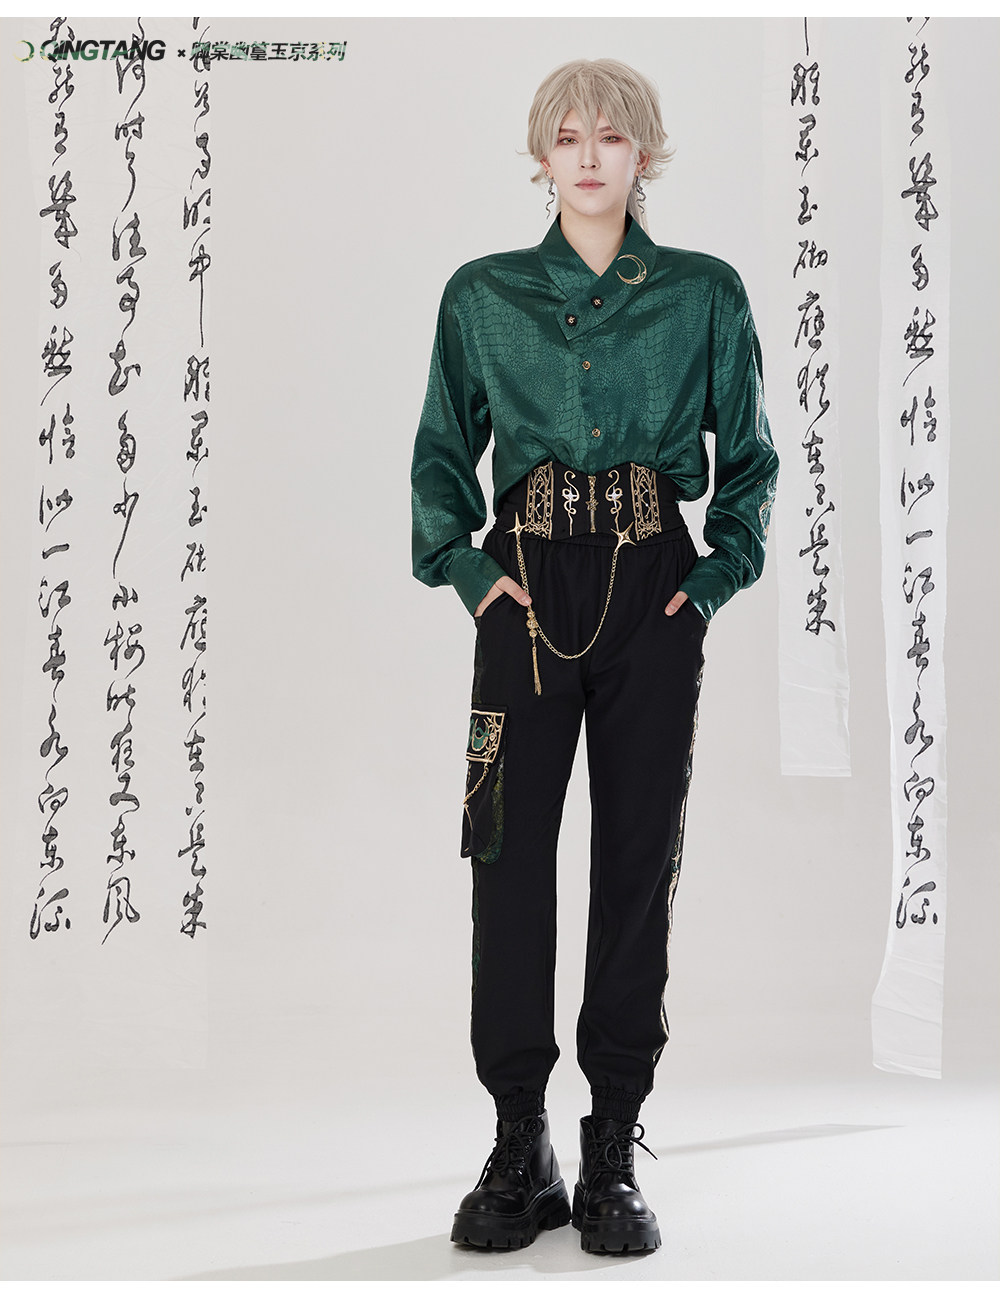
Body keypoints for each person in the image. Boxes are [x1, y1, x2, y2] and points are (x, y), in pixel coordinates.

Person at [410, 57, 779, 1256]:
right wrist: (469, 573)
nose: (586, 155)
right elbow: (438, 457)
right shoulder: (482, 296)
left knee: (636, 858)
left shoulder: (703, 293)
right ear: (540, 156)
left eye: (609, 137)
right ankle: (519, 1138)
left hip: (650, 594)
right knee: (505, 853)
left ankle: (612, 1135)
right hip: (521, 597)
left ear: (642, 155)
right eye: (566, 136)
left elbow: (750, 466)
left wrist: (707, 583)